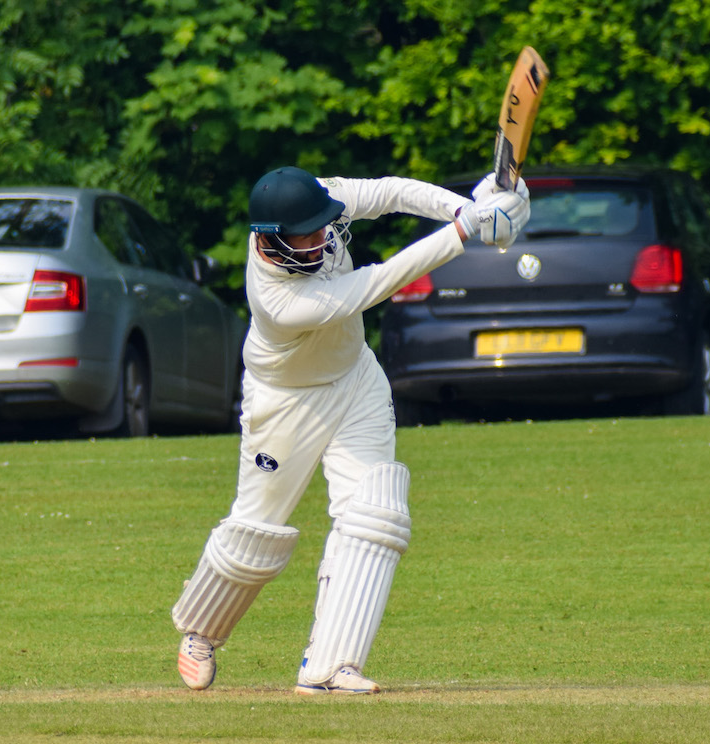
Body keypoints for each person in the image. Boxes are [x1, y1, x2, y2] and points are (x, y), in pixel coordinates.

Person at [171, 166, 530, 695]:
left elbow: (392, 192)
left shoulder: (323, 201)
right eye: (307, 234)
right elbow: (376, 283)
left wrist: (466, 206)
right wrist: (466, 229)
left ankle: (331, 665)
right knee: (257, 528)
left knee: (375, 513)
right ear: (272, 238)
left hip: (355, 377)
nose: (322, 238)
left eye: (323, 226)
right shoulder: (279, 299)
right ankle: (202, 632)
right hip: (286, 400)